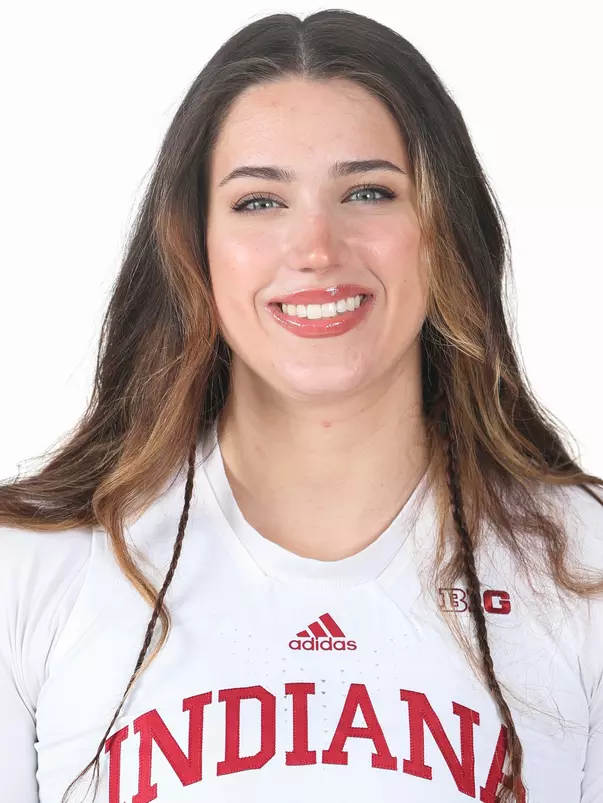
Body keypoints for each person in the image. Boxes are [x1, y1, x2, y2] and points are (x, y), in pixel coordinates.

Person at [0, 9, 601, 803]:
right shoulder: (36, 564)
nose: (317, 247)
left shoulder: (582, 567)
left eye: (368, 191)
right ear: (193, 245)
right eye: (259, 201)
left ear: (442, 231)